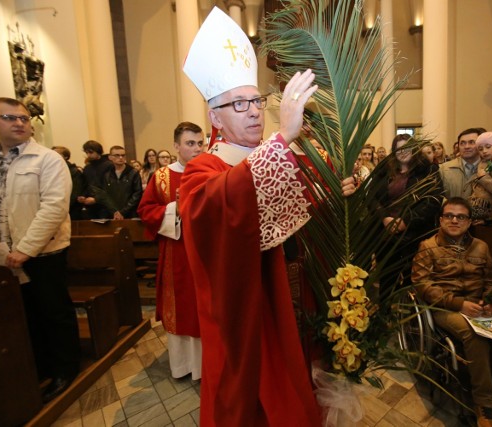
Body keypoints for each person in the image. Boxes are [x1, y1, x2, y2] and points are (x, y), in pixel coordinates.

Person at [178, 7, 355, 427]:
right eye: (238, 104)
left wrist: (333, 193)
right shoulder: (205, 169)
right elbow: (213, 210)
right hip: (249, 313)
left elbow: (301, 215)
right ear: (214, 116)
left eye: (255, 100)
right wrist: (282, 140)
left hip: (296, 300)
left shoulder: (285, 158)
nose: (254, 111)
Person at [0, 97, 80, 402]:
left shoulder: (46, 159)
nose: (20, 123)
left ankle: (65, 368)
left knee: (51, 310)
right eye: (9, 117)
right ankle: (36, 366)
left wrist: (26, 249)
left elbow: (54, 207)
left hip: (42, 254)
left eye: (24, 118)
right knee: (17, 314)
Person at [412, 197, 492, 427]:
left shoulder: (481, 246)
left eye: (461, 217)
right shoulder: (428, 247)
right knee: (475, 335)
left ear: (469, 222)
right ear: (441, 219)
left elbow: (491, 280)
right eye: (449, 215)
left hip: (479, 307)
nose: (454, 220)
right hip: (446, 308)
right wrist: (459, 304)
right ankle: (486, 404)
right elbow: (423, 286)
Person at [138, 122, 204, 379]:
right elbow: (145, 211)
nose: (197, 149)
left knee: (204, 308)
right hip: (177, 251)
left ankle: (206, 367)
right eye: (190, 143)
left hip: (207, 253)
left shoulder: (214, 171)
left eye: (200, 143)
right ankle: (184, 366)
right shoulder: (162, 177)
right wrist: (174, 209)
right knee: (183, 306)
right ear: (176, 146)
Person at [372, 134, 443, 297]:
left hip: (416, 233)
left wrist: (405, 221)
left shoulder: (428, 170)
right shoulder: (383, 170)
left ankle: (412, 317)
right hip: (386, 234)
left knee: (414, 279)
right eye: (399, 149)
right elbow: (372, 198)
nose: (403, 152)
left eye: (407, 148)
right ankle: (387, 315)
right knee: (387, 280)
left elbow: (433, 201)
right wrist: (384, 218)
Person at [440, 128, 492, 224]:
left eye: (471, 142)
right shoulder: (444, 169)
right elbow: (438, 196)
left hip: (480, 227)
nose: (466, 146)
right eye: (462, 143)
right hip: (451, 224)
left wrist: (490, 220)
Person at [97, 145, 143, 219]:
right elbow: (105, 194)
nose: (121, 158)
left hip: (130, 213)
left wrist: (123, 212)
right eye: (117, 155)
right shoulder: (107, 174)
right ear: (110, 157)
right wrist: (114, 211)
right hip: (112, 213)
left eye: (123, 155)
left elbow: (137, 194)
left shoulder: (133, 172)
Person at [79, 140, 112, 218]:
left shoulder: (109, 165)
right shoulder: (87, 167)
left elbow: (109, 186)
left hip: (105, 205)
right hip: (90, 204)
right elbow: (86, 184)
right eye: (86, 153)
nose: (88, 155)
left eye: (91, 152)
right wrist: (83, 196)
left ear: (98, 151)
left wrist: (96, 199)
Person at [53, 146, 87, 220]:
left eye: (57, 154)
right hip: (56, 208)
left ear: (65, 157)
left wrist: (62, 206)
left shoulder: (74, 172)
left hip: (71, 209)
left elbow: (75, 192)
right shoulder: (51, 170)